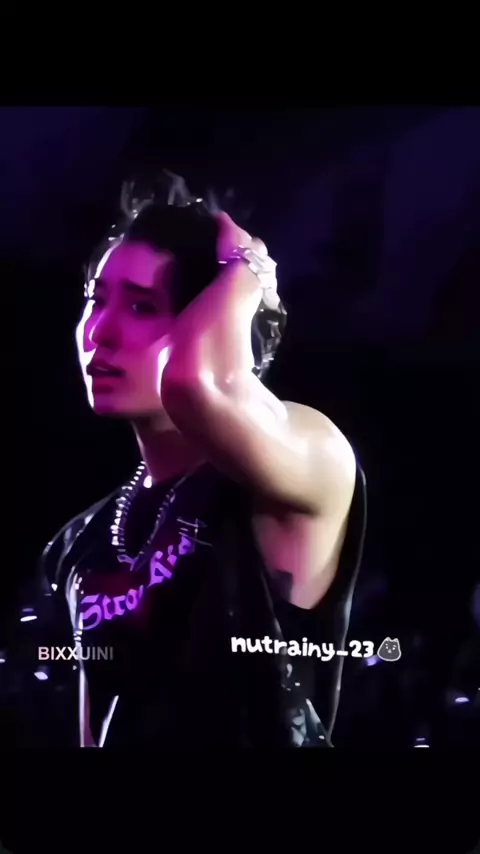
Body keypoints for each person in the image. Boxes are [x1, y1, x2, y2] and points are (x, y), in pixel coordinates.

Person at [12, 171, 367, 748]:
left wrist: (248, 269)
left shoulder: (308, 457)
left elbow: (192, 383)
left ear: (221, 325)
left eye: (142, 306)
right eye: (96, 300)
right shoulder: (81, 542)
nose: (100, 331)